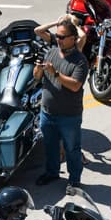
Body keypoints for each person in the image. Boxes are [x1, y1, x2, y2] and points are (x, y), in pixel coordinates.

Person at [33, 15, 89, 193]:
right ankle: (52, 173)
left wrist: (55, 73)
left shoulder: (80, 61)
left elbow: (75, 86)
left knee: (72, 150)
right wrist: (38, 69)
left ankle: (74, 181)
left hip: (69, 116)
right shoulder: (51, 51)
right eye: (57, 36)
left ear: (73, 39)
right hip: (47, 112)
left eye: (62, 37)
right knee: (50, 147)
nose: (58, 40)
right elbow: (37, 77)